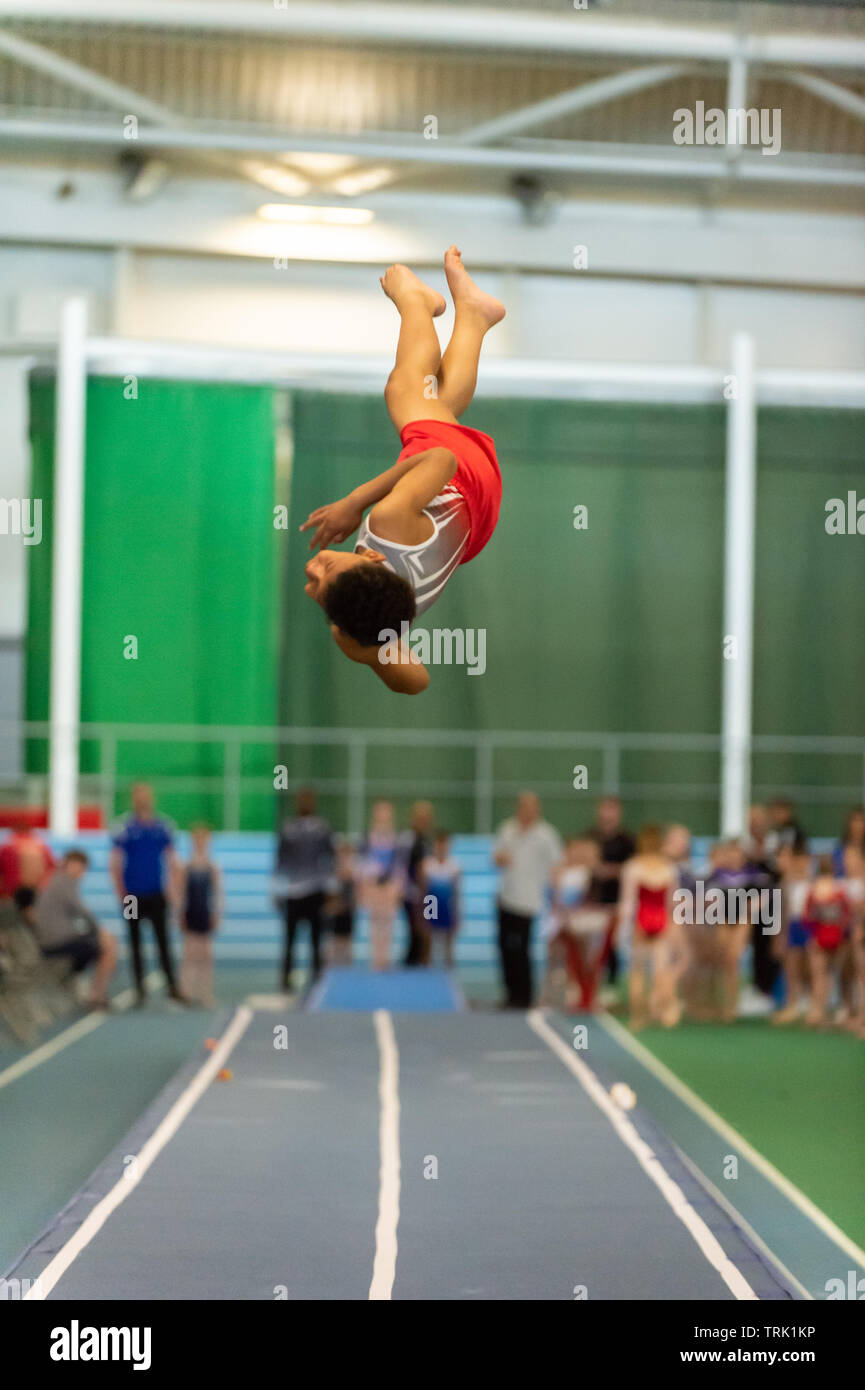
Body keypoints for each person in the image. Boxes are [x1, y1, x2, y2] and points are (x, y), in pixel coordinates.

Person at [299, 248, 505, 695]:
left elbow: (416, 682)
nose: (312, 571)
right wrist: (354, 504)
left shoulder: (378, 618)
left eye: (317, 588)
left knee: (439, 404)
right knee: (406, 392)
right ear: (372, 558)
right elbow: (440, 459)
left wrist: (374, 655)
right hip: (460, 475)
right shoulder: (387, 524)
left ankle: (474, 316)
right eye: (326, 568)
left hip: (473, 522)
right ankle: (417, 301)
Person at [109, 782, 184, 1006]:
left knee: (163, 940)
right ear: (133, 798)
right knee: (135, 942)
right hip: (132, 895)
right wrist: (121, 892)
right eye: (139, 795)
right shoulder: (124, 827)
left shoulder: (163, 826)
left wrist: (172, 890)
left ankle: (172, 986)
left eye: (146, 795)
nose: (143, 798)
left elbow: (172, 860)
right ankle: (139, 989)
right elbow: (115, 862)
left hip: (156, 893)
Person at [494, 793, 563, 1009]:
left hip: (529, 901)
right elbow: (496, 857)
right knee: (504, 947)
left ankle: (524, 995)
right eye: (522, 806)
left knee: (521, 949)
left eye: (530, 807)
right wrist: (501, 858)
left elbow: (557, 864)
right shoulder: (507, 830)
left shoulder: (546, 835)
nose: (526, 811)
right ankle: (510, 992)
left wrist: (555, 895)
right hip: (506, 897)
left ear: (537, 809)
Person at [31, 850, 117, 1010]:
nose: (81, 872)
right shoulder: (63, 881)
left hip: (56, 936)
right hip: (56, 940)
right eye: (79, 867)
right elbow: (81, 910)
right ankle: (96, 994)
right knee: (108, 946)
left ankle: (81, 980)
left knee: (103, 942)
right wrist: (100, 931)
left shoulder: (55, 880)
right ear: (70, 864)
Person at [618, 825, 680, 1029]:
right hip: (661, 917)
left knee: (638, 969)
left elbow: (628, 902)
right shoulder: (669, 867)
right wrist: (673, 925)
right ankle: (662, 1011)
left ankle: (638, 1016)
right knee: (661, 968)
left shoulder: (633, 867)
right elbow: (673, 901)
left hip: (642, 918)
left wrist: (623, 925)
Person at [274, 787, 334, 993]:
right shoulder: (288, 828)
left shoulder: (322, 829)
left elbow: (330, 859)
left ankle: (317, 978)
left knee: (316, 939)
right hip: (293, 891)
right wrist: (275, 888)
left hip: (316, 891)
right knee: (290, 940)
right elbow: (279, 860)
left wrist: (330, 888)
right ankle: (285, 979)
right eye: (302, 800)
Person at [586, 796, 636, 993]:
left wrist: (613, 870)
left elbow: (634, 866)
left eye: (612, 810)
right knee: (595, 946)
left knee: (614, 944)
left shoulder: (628, 841)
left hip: (618, 900)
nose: (608, 815)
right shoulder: (590, 837)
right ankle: (590, 984)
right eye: (604, 810)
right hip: (594, 900)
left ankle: (613, 984)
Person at [802, 854, 854, 1027]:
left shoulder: (814, 889)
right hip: (836, 938)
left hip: (819, 937)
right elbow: (847, 916)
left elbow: (807, 918)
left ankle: (818, 1011)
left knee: (819, 976)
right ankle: (828, 1011)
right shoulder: (839, 890)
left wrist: (815, 933)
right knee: (832, 975)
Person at [178, 824, 222, 1007]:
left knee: (206, 954)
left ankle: (205, 992)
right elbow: (180, 893)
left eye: (204, 840)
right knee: (189, 954)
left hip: (205, 912)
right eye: (197, 840)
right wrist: (179, 914)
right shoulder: (186, 866)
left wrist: (216, 914)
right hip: (191, 912)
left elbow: (217, 893)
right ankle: (186, 991)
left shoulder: (213, 867)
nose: (201, 843)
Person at [358, 801, 403, 971]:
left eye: (386, 813)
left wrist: (398, 885)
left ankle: (385, 957)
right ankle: (376, 958)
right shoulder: (369, 837)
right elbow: (362, 862)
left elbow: (399, 865)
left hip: (390, 885)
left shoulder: (395, 839)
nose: (383, 816)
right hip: (374, 883)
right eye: (381, 813)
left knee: (388, 922)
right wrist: (367, 881)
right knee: (375, 921)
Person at [772, 843, 813, 1025]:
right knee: (791, 969)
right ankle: (792, 1005)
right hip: (791, 927)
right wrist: (780, 936)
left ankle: (812, 1005)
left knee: (810, 968)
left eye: (786, 857)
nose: (781, 861)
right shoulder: (783, 882)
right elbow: (782, 913)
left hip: (809, 926)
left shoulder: (810, 880)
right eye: (779, 857)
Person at [420, 830, 461, 969]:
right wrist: (423, 914)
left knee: (448, 943)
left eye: (445, 845)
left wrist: (457, 913)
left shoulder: (455, 866)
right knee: (428, 942)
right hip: (432, 904)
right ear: (435, 846)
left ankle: (449, 968)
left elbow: (456, 892)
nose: (442, 848)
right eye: (439, 845)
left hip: (447, 906)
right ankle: (427, 968)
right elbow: (424, 891)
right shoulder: (427, 865)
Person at [400, 800, 434, 966]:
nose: (423, 821)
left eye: (426, 817)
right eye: (419, 817)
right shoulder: (407, 839)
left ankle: (425, 962)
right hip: (412, 893)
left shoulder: (429, 841)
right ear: (413, 818)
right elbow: (401, 866)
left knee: (428, 929)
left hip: (429, 895)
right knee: (415, 929)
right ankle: (411, 963)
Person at [0, 821, 55, 912]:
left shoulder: (7, 847)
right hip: (37, 890)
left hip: (12, 891)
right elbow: (51, 869)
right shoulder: (42, 847)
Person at [325, 839, 356, 967]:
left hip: (347, 910)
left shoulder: (351, 873)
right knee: (334, 940)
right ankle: (330, 965)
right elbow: (329, 896)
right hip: (335, 911)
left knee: (346, 939)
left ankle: (346, 963)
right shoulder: (332, 872)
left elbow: (353, 896)